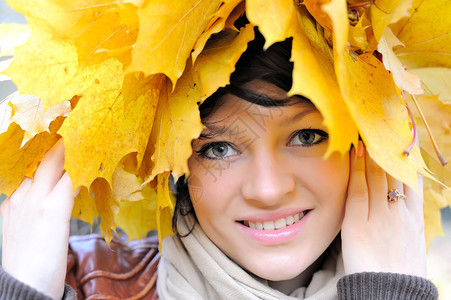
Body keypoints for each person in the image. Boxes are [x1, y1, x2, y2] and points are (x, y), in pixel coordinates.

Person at [0, 31, 438, 299]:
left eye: (306, 136)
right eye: (218, 149)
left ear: (370, 143)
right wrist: (24, 290)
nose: (267, 190)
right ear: (175, 162)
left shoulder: (408, 283)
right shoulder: (78, 282)